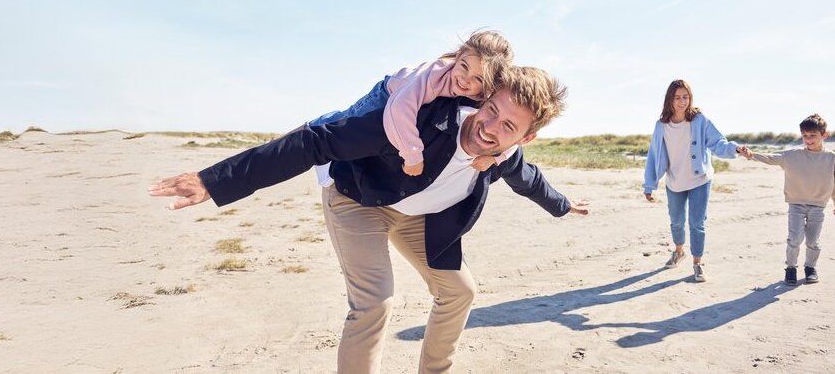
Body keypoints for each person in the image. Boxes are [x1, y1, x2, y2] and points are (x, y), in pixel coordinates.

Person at [149, 66, 589, 373]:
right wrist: (214, 180)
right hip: (358, 202)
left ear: (525, 137)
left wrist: (563, 206)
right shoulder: (411, 123)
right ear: (483, 97)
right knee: (375, 301)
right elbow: (312, 143)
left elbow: (530, 180)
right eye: (491, 109)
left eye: (509, 126)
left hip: (415, 218)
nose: (490, 126)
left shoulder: (504, 156)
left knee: (459, 291)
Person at [308, 29, 515, 178]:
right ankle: (311, 128)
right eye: (463, 66)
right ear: (458, 55)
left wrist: (495, 158)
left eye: (478, 79)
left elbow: (519, 133)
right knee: (347, 121)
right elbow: (399, 109)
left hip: (410, 102)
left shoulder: (487, 98)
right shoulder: (435, 75)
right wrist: (413, 155)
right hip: (389, 94)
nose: (465, 79)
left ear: (490, 83)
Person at [642, 79, 740, 283]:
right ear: (670, 99)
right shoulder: (661, 126)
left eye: (685, 97)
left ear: (690, 98)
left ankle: (698, 263)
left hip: (700, 180)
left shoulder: (699, 120)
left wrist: (735, 149)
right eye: (677, 97)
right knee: (676, 221)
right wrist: (650, 184)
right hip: (674, 182)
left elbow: (717, 142)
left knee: (697, 223)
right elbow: (654, 155)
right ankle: (679, 251)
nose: (682, 101)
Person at [737, 114, 835, 286]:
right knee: (794, 239)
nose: (808, 140)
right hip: (796, 204)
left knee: (813, 241)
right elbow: (770, 158)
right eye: (805, 136)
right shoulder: (792, 155)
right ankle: (791, 269)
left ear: (824, 135)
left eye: (812, 136)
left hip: (818, 206)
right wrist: (751, 155)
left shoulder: (832, 158)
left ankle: (810, 268)